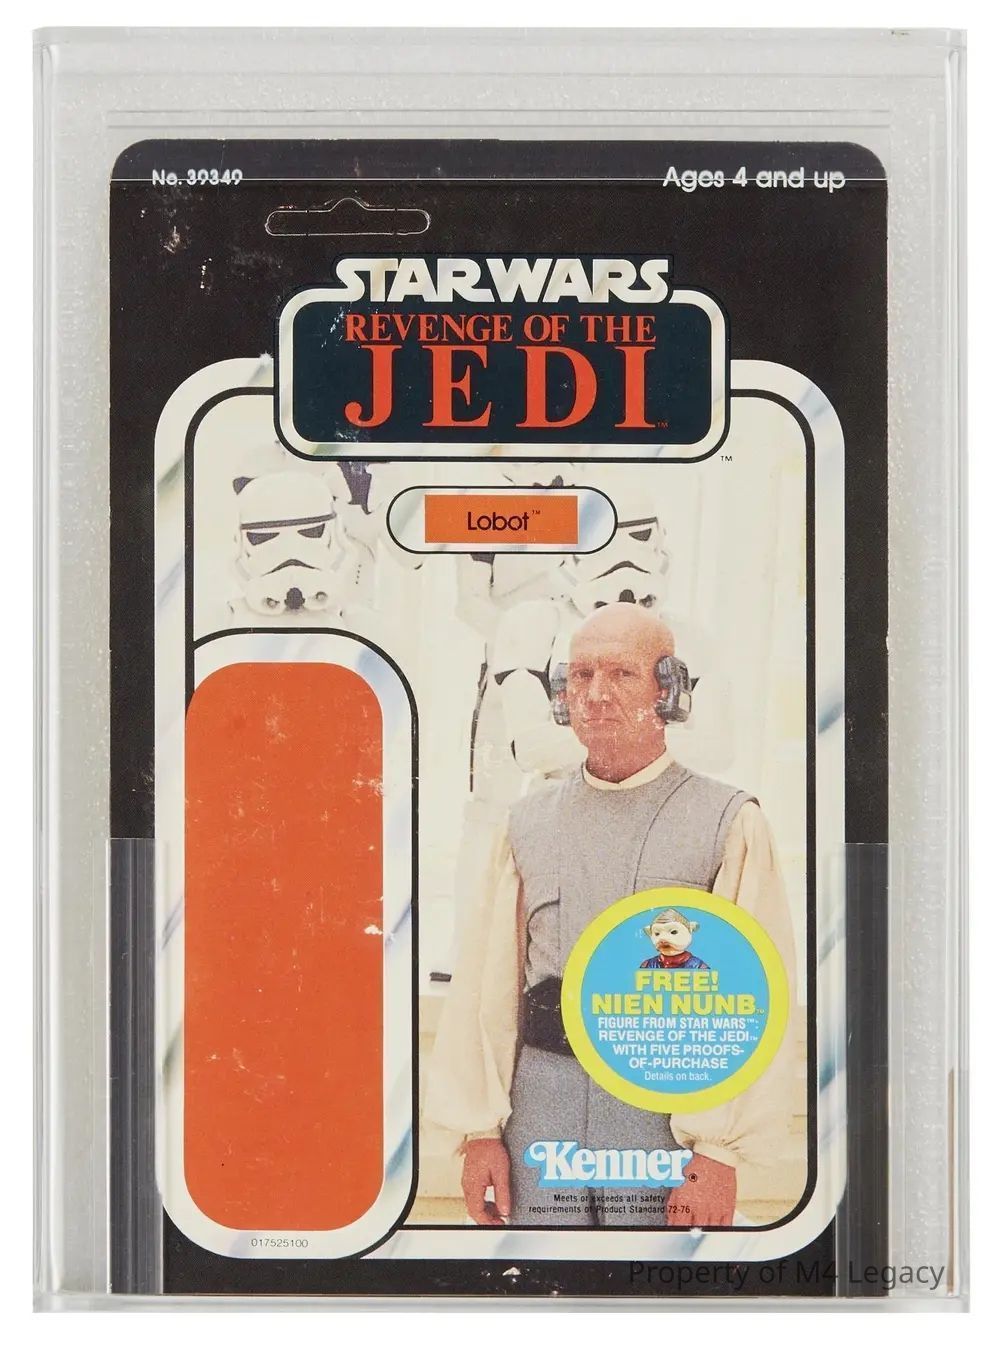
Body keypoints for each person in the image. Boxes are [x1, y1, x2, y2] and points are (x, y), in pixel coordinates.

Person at [424, 603, 799, 1229]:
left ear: (667, 689)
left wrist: (717, 1153)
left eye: (622, 674)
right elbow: (486, 989)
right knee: (544, 1282)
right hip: (541, 1115)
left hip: (663, 1123)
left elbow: (757, 998)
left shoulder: (729, 821)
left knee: (652, 1285)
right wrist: (481, 1133)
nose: (596, 694)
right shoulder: (525, 825)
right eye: (581, 675)